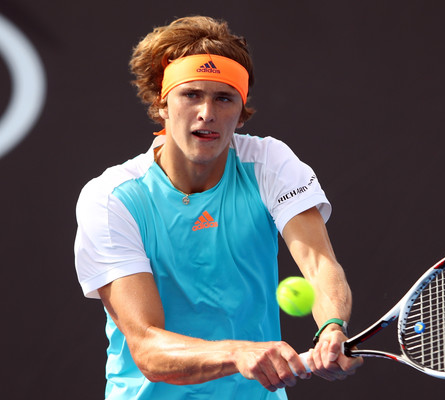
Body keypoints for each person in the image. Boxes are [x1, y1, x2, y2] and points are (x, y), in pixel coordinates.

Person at [74, 15, 362, 399]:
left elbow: (320, 265)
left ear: (241, 113)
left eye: (223, 98)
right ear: (162, 104)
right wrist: (237, 352)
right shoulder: (113, 198)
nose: (207, 112)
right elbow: (147, 348)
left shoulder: (269, 164)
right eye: (191, 94)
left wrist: (331, 326)